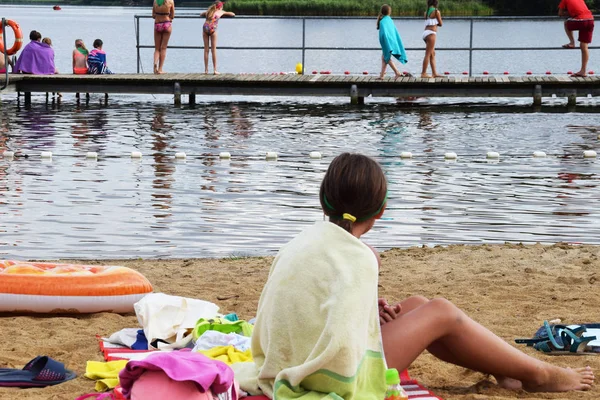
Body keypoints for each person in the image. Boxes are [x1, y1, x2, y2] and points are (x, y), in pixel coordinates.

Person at [234, 152, 595, 398]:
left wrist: (370, 317)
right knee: (440, 311)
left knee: (417, 306)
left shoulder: (303, 240)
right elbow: (343, 344)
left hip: (286, 356)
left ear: (323, 200)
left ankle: (501, 368)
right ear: (381, 210)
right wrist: (366, 329)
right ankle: (540, 375)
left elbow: (323, 311)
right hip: (321, 370)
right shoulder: (361, 256)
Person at [559, 0, 594, 77]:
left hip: (581, 20)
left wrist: (569, 12)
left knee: (566, 23)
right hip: (590, 20)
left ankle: (572, 42)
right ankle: (583, 71)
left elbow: (560, 13)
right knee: (584, 46)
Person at [200, 1, 235, 75]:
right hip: (213, 28)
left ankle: (206, 70)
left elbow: (201, 14)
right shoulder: (220, 12)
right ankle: (215, 70)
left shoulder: (209, 11)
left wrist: (206, 13)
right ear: (220, 7)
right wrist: (224, 13)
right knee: (213, 50)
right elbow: (232, 14)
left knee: (206, 50)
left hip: (205, 28)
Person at [377, 4, 408, 80]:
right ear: (389, 12)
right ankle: (382, 75)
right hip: (391, 41)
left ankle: (397, 72)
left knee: (386, 57)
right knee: (384, 57)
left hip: (387, 42)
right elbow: (392, 32)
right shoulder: (389, 20)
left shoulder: (383, 21)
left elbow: (383, 34)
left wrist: (385, 42)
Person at [421, 0, 443, 78]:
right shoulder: (436, 11)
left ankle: (434, 73)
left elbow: (428, 21)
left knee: (432, 54)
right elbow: (440, 24)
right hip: (431, 33)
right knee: (428, 54)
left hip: (425, 33)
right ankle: (423, 73)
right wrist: (437, 20)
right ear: (435, 3)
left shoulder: (426, 12)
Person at [152, 0, 175, 74]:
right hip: (166, 24)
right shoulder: (170, 1)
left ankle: (155, 63)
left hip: (157, 24)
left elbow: (153, 15)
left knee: (157, 48)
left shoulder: (155, 1)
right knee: (163, 48)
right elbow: (172, 16)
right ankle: (160, 69)